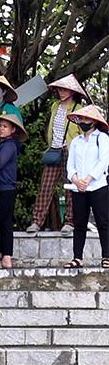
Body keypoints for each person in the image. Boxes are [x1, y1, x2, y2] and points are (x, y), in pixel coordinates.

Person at [28, 74, 89, 234]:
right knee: (46, 186)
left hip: (71, 152)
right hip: (54, 150)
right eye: (60, 89)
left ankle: (69, 222)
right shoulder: (55, 106)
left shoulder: (78, 109)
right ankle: (36, 221)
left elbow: (81, 133)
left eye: (65, 89)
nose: (61, 92)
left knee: (71, 187)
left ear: (72, 91)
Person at [62, 105, 109, 269]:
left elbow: (103, 161)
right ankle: (77, 257)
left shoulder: (102, 138)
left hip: (98, 186)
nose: (83, 121)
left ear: (94, 122)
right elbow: (70, 165)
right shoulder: (76, 142)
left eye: (86, 118)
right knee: (79, 223)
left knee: (103, 221)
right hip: (78, 188)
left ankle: (106, 256)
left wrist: (88, 179)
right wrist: (76, 180)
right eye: (81, 118)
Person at [0, 114, 26, 269]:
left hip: (6, 187)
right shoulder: (1, 144)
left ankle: (7, 256)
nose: (1, 129)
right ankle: (0, 253)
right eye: (0, 125)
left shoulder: (9, 145)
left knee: (5, 222)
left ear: (13, 130)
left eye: (5, 126)